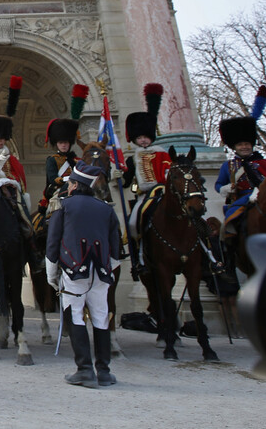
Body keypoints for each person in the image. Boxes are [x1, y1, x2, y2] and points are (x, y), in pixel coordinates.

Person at [46, 161, 121, 388]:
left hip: (74, 271)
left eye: (70, 184)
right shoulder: (106, 209)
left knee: (76, 315)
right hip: (102, 272)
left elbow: (53, 244)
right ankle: (104, 371)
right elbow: (116, 248)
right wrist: (107, 268)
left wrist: (51, 275)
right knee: (100, 316)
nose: (68, 187)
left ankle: (85, 370)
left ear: (76, 185)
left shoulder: (63, 206)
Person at [117, 84, 171, 270]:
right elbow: (127, 181)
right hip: (144, 196)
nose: (143, 140)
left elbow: (168, 171)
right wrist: (118, 176)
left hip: (164, 193)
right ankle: (139, 256)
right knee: (133, 223)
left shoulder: (162, 153)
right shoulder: (132, 159)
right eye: (139, 138)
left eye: (146, 137)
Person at [0, 75, 34, 240]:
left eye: (3, 138)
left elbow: (19, 177)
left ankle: (29, 238)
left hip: (10, 191)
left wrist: (10, 181)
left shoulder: (11, 159)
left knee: (21, 207)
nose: (1, 141)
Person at [215, 114, 266, 235]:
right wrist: (226, 188)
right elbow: (218, 185)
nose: (244, 147)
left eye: (247, 144)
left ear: (252, 145)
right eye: (240, 144)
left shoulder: (265, 163)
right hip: (241, 200)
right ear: (234, 147)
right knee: (228, 225)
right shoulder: (227, 166)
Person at [40, 117, 80, 214]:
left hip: (77, 187)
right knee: (54, 209)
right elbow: (52, 179)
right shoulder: (52, 160)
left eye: (65, 142)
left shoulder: (77, 160)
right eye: (61, 143)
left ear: (69, 143)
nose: (63, 145)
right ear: (56, 144)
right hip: (59, 189)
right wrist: (67, 180)